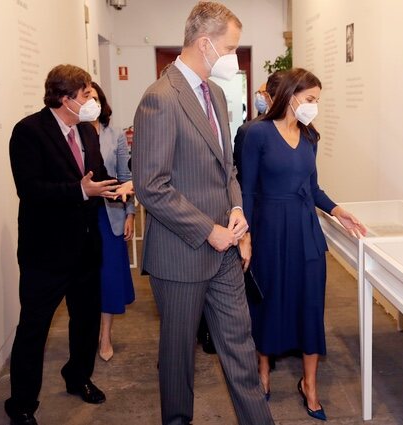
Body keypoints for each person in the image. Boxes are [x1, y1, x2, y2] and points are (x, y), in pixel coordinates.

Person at [131, 3, 274, 425]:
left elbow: (225, 165)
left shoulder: (215, 93)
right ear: (205, 43)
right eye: (230, 47)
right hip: (180, 255)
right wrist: (206, 229)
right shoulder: (159, 99)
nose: (232, 55)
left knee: (241, 351)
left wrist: (235, 209)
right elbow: (150, 186)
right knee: (178, 361)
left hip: (225, 251)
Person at [6, 64, 132, 425]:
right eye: (87, 95)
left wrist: (118, 189)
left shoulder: (87, 133)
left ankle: (78, 376)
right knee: (33, 330)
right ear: (65, 99)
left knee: (85, 322)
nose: (93, 101)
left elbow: (96, 177)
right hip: (44, 254)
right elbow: (30, 190)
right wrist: (81, 191)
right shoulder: (29, 132)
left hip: (85, 249)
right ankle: (22, 404)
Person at [240, 67, 367, 421]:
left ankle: (309, 383)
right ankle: (263, 370)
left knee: (310, 306)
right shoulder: (257, 134)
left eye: (317, 101)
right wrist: (246, 236)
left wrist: (339, 211)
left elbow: (313, 188)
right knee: (267, 303)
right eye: (310, 99)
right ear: (291, 96)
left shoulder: (310, 137)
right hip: (268, 231)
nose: (313, 106)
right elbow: (247, 189)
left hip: (305, 231)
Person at [198, 70, 287, 356]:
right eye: (261, 93)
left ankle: (270, 343)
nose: (262, 98)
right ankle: (217, 333)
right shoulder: (251, 131)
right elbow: (240, 179)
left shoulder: (299, 133)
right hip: (246, 214)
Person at [89, 81, 136, 362]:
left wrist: (130, 212)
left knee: (108, 277)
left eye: (94, 98)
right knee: (87, 278)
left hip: (109, 215)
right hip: (81, 215)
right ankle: (86, 330)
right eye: (85, 97)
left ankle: (105, 334)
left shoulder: (114, 134)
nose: (90, 103)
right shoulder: (71, 133)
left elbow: (124, 176)